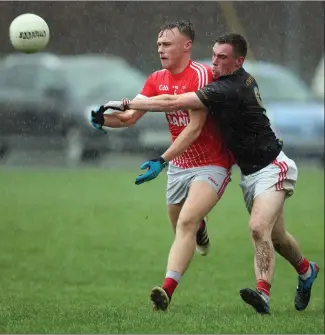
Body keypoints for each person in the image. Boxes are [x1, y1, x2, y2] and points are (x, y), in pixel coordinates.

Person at [103, 33, 319, 314]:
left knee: (257, 228)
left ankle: (263, 294)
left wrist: (128, 103)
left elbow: (172, 103)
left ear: (238, 62)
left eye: (222, 58)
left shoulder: (229, 87)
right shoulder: (225, 80)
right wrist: (108, 116)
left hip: (272, 167)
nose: (214, 62)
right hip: (250, 175)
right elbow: (165, 98)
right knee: (277, 238)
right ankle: (306, 270)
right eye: (214, 55)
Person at [91, 21, 234, 311]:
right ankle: (200, 228)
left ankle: (165, 292)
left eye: (167, 44)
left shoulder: (204, 75)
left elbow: (194, 128)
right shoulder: (156, 78)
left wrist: (161, 160)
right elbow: (130, 116)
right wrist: (101, 119)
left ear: (187, 46)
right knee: (180, 225)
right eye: (158, 45)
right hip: (179, 165)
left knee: (185, 222)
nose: (160, 49)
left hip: (212, 163)